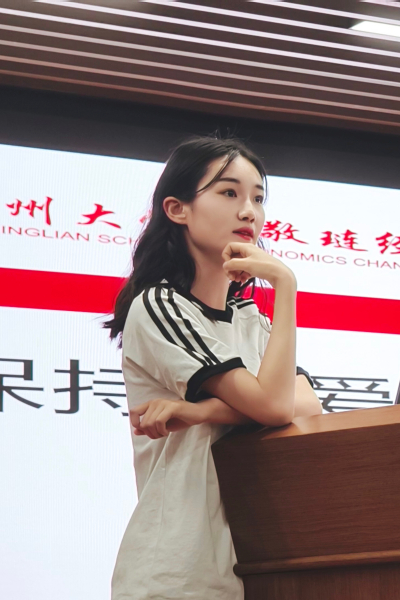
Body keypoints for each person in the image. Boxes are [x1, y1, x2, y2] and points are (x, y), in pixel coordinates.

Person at [104, 135, 322, 600]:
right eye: (229, 192)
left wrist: (203, 411)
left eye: (258, 198)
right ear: (177, 208)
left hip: (252, 566)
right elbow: (275, 407)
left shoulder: (250, 318)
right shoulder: (161, 305)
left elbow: (307, 404)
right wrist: (285, 284)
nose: (249, 212)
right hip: (180, 570)